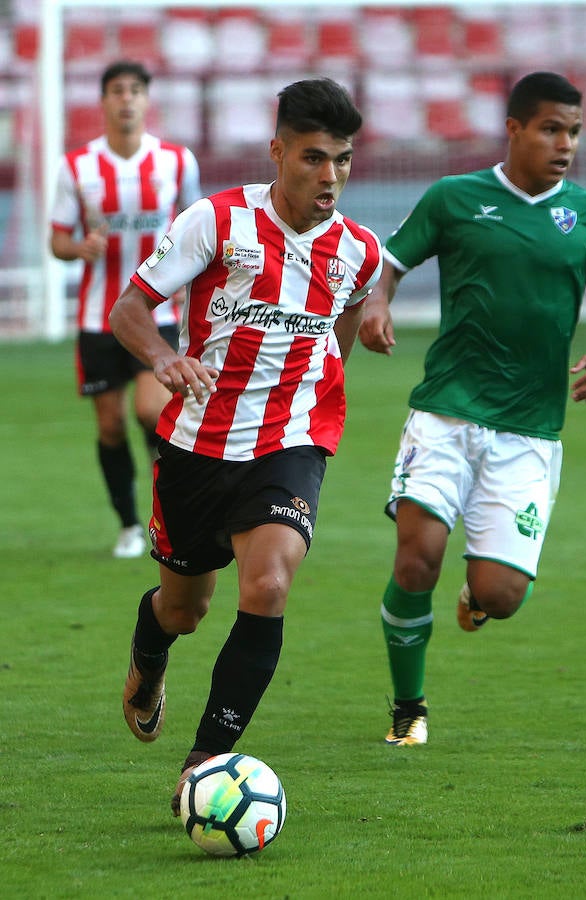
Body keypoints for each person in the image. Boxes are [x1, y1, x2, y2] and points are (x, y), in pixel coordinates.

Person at [109, 78, 382, 813]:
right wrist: (164, 359)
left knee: (268, 585)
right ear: (277, 152)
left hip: (292, 442)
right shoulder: (217, 221)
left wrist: (315, 388)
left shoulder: (358, 250)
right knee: (183, 610)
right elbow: (129, 308)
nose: (330, 177)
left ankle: (205, 761)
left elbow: (347, 321)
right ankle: (148, 660)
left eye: (343, 160)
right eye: (314, 158)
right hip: (197, 445)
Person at [358, 71, 586, 747]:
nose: (565, 144)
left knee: (502, 596)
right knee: (416, 558)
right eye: (550, 129)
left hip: (529, 429)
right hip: (446, 410)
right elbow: (390, 260)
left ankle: (477, 595)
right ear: (514, 129)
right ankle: (408, 707)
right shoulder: (455, 197)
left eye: (573, 131)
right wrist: (377, 303)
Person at [50, 60, 202, 558]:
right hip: (97, 318)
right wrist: (79, 248)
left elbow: (197, 228)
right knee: (110, 425)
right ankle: (129, 525)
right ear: (104, 101)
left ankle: (169, 513)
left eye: (135, 90)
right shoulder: (77, 167)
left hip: (156, 315)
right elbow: (57, 240)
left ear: (145, 99)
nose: (126, 99)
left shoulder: (175, 161)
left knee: (151, 412)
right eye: (117, 90)